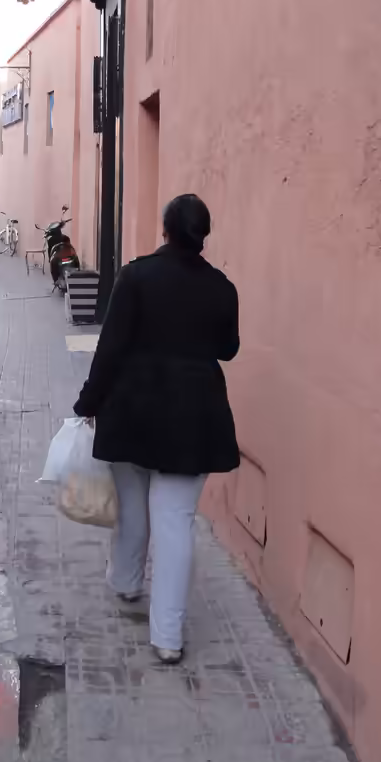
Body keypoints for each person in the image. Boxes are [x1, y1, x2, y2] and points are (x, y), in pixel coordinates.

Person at [72, 194, 240, 665]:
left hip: (134, 410)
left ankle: (126, 585)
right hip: (194, 417)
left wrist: (89, 401)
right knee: (175, 521)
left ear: (165, 230)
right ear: (202, 236)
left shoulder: (136, 276)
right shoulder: (221, 288)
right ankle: (167, 637)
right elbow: (228, 349)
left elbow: (111, 347)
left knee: (133, 507)